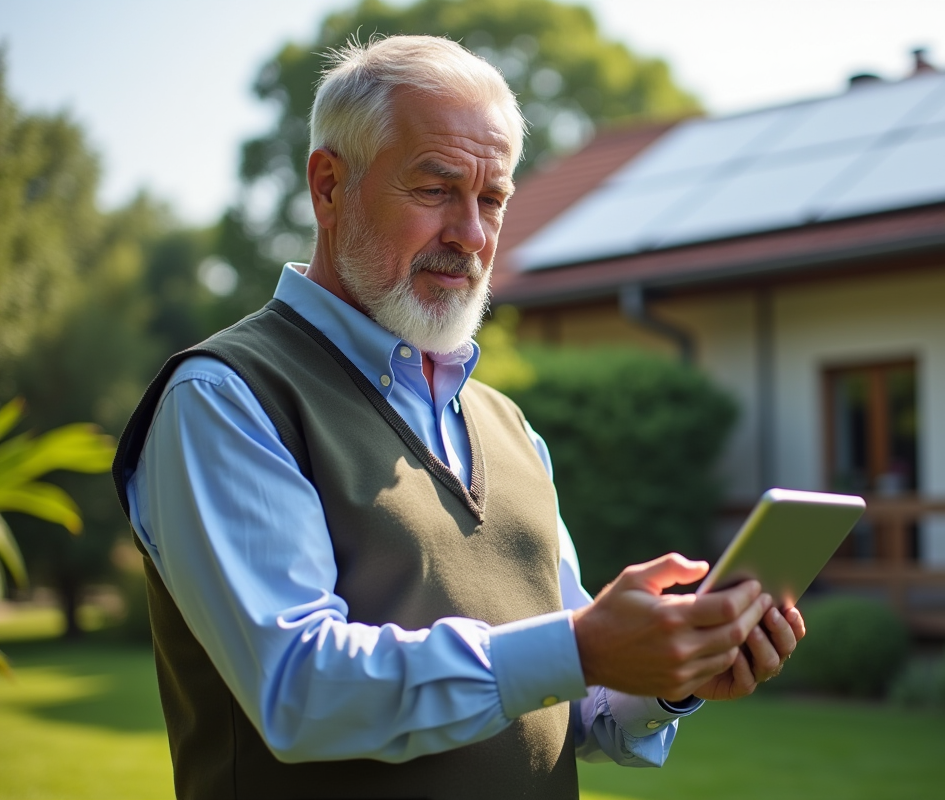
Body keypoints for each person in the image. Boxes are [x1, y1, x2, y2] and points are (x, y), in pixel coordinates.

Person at [112, 34, 805, 800]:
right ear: (329, 186)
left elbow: (578, 706)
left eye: (492, 199)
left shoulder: (510, 427)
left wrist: (674, 671)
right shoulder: (226, 396)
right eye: (436, 189)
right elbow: (301, 690)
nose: (472, 235)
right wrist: (579, 647)